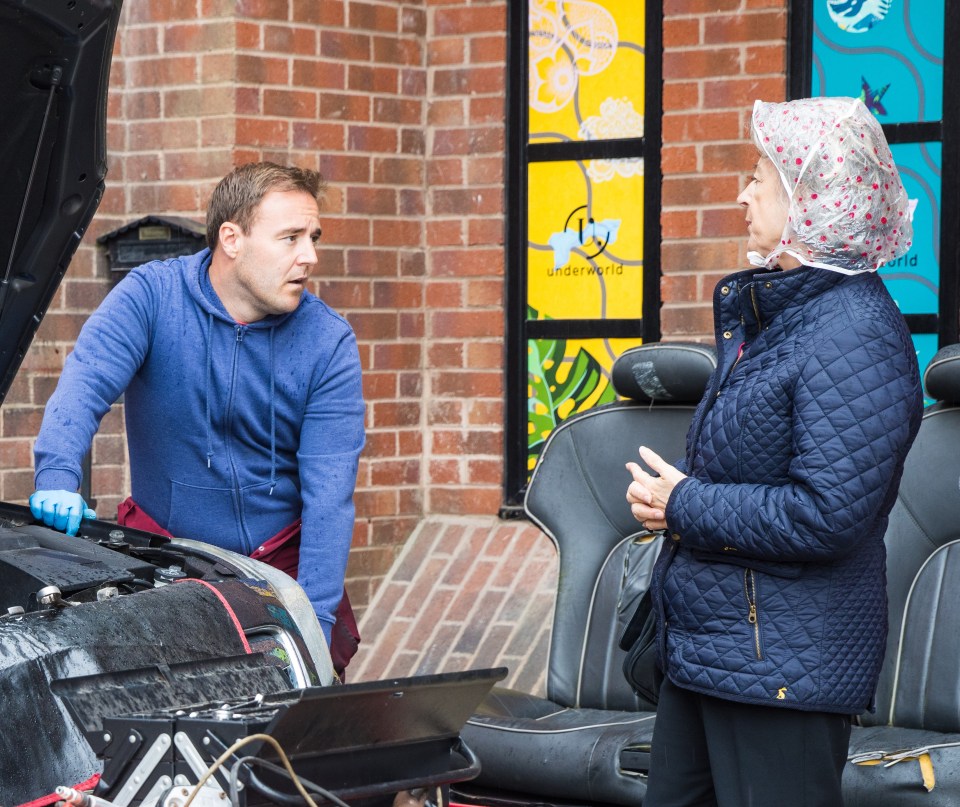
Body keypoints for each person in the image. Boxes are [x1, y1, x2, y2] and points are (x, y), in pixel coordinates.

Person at [625, 97, 923, 806]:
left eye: (759, 177)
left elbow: (826, 513)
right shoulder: (791, 319)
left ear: (813, 203)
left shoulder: (855, 333)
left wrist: (683, 503)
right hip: (712, 657)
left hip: (783, 673)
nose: (742, 192)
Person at [30, 162, 365, 677]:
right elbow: (84, 385)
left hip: (280, 574)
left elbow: (329, 497)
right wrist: (57, 473)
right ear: (232, 238)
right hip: (167, 562)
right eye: (291, 237)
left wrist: (315, 627)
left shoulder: (328, 342)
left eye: (313, 236)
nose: (310, 256)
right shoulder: (149, 297)